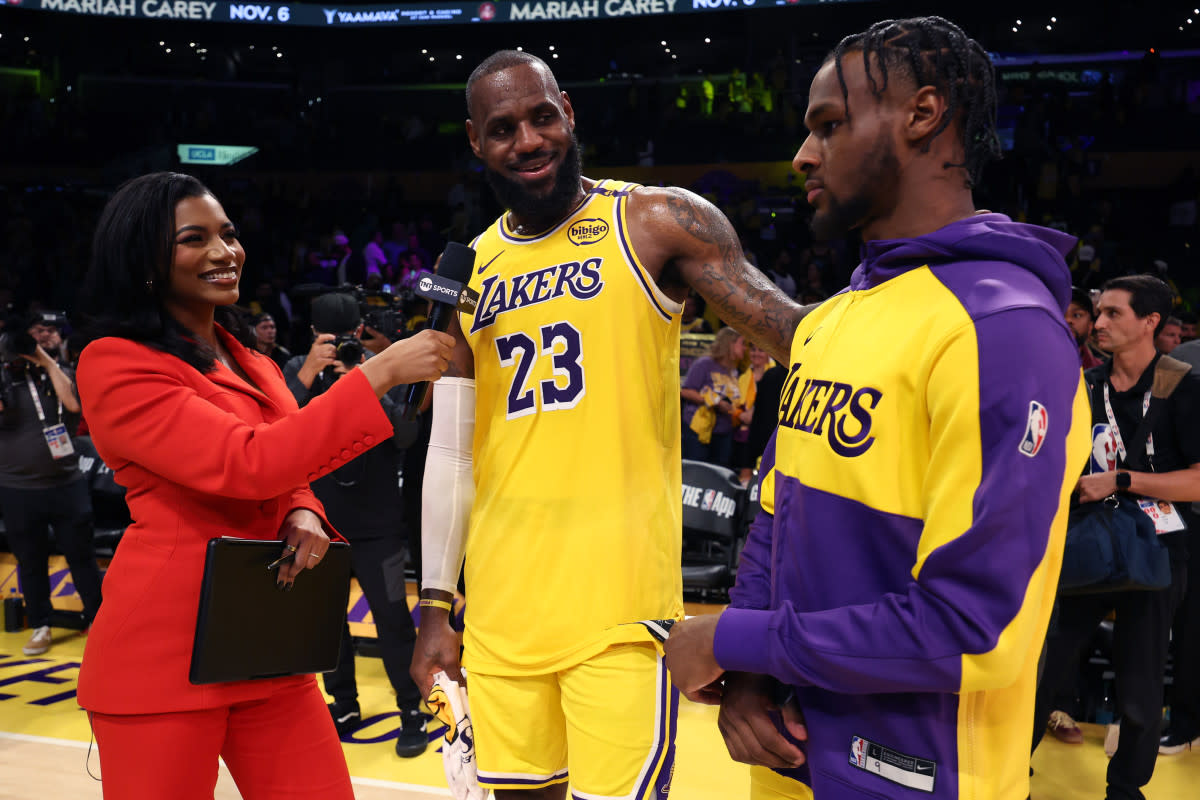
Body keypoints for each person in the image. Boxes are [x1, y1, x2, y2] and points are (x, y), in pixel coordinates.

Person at [662, 17, 1091, 800]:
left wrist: (734, 637)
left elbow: (979, 631)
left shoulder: (1004, 329)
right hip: (788, 756)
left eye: (830, 124)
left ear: (924, 115)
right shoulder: (827, 322)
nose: (802, 155)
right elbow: (774, 517)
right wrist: (751, 677)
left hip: (922, 774)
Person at [410, 50, 809, 800]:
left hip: (621, 618)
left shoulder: (655, 221)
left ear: (569, 112)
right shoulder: (468, 270)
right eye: (502, 128)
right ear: (474, 141)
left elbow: (797, 334)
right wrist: (435, 607)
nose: (527, 140)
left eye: (541, 116)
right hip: (499, 617)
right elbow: (453, 450)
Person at [72, 172, 454, 800]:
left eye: (228, 233)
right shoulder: (116, 361)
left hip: (268, 641)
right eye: (195, 239)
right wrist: (381, 372)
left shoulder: (247, 357)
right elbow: (246, 461)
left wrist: (301, 509)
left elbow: (289, 463)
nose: (225, 253)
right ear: (141, 258)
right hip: (163, 656)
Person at [1033, 274, 1200, 799]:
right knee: (1044, 668)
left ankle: (1126, 789)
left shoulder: (1178, 382)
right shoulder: (1088, 384)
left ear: (1151, 322)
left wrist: (1123, 480)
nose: (1098, 323)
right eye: (1098, 313)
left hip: (1156, 549)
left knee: (1142, 684)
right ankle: (1009, 773)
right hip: (1089, 543)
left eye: (1113, 314)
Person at [282, 292, 428, 758]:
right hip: (318, 523)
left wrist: (368, 383)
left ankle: (412, 709)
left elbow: (406, 436)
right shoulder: (292, 371)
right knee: (325, 623)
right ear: (311, 335)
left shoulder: (383, 367)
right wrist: (308, 372)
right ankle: (343, 703)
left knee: (392, 621)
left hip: (378, 524)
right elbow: (273, 432)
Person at [0, 311, 104, 657]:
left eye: (49, 331)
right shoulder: (6, 378)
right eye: (36, 331)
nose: (43, 336)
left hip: (66, 483)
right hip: (18, 488)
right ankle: (42, 625)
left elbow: (74, 403)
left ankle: (100, 621)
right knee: (30, 560)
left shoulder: (64, 374)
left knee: (82, 557)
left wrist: (44, 360)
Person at [681, 327, 745, 468]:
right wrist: (715, 403)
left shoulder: (735, 371)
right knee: (696, 473)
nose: (745, 348)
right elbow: (685, 391)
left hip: (724, 432)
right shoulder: (705, 364)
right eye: (742, 343)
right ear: (730, 344)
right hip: (698, 431)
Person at [1067, 285, 1105, 369]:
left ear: (1090, 326)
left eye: (1076, 315)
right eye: (1060, 313)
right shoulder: (1032, 365)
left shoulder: (1101, 374)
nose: (1068, 320)